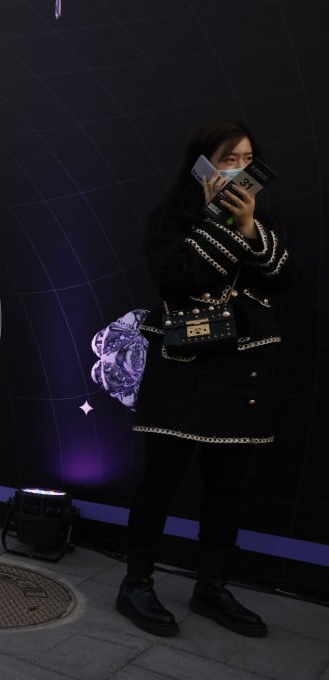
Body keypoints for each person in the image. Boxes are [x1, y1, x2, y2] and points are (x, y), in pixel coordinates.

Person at [116, 120, 290, 638]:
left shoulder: (261, 220)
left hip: (242, 369)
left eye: (247, 159)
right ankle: (136, 584)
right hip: (183, 366)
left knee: (226, 488)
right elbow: (177, 276)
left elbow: (284, 279)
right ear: (203, 164)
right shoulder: (169, 220)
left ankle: (211, 587)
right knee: (161, 482)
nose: (240, 168)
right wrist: (216, 223)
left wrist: (249, 229)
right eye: (229, 158)